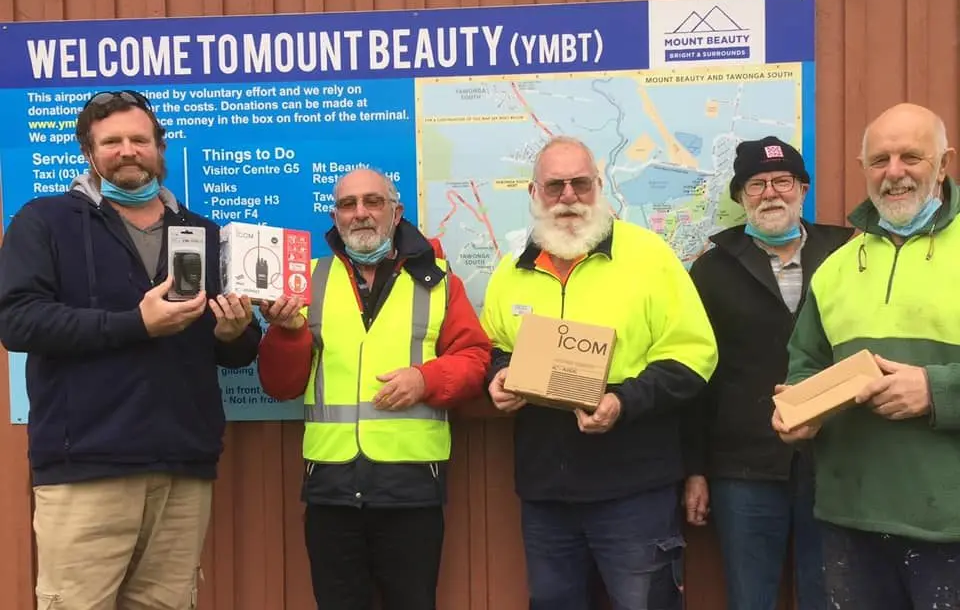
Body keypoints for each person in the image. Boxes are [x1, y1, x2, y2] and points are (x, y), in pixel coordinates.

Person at [0, 89, 262, 610]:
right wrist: (134, 324)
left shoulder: (201, 233)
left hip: (182, 468)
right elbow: (18, 321)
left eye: (139, 140)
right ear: (89, 153)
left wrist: (235, 335)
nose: (127, 150)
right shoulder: (44, 220)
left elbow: (235, 351)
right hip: (86, 468)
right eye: (112, 141)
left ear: (158, 148)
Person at [480, 135, 718, 610]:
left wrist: (623, 401)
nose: (568, 197)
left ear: (600, 186)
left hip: (634, 490)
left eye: (580, 184)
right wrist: (500, 377)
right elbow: (494, 346)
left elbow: (694, 357)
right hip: (547, 492)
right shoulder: (512, 270)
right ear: (534, 195)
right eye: (554, 187)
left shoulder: (651, 258)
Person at [256, 168, 491, 610]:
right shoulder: (307, 280)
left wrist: (426, 379)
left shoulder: (438, 280)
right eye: (348, 205)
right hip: (330, 486)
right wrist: (287, 333)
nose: (360, 214)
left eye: (373, 202)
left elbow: (475, 360)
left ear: (396, 211)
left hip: (412, 485)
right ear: (335, 216)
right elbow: (280, 386)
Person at [773, 103, 960, 609]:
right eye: (879, 160)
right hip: (849, 522)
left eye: (910, 157)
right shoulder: (836, 267)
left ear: (943, 164)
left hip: (951, 529)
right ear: (862, 169)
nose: (893, 173)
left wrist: (937, 391)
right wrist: (801, 411)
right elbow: (805, 362)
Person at [682, 136, 853, 610]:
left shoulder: (847, 257)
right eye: (756, 184)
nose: (770, 193)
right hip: (743, 467)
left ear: (803, 189)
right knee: (750, 598)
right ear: (740, 198)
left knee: (831, 597)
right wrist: (695, 470)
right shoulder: (712, 270)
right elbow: (698, 378)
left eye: (782, 181)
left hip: (836, 461)